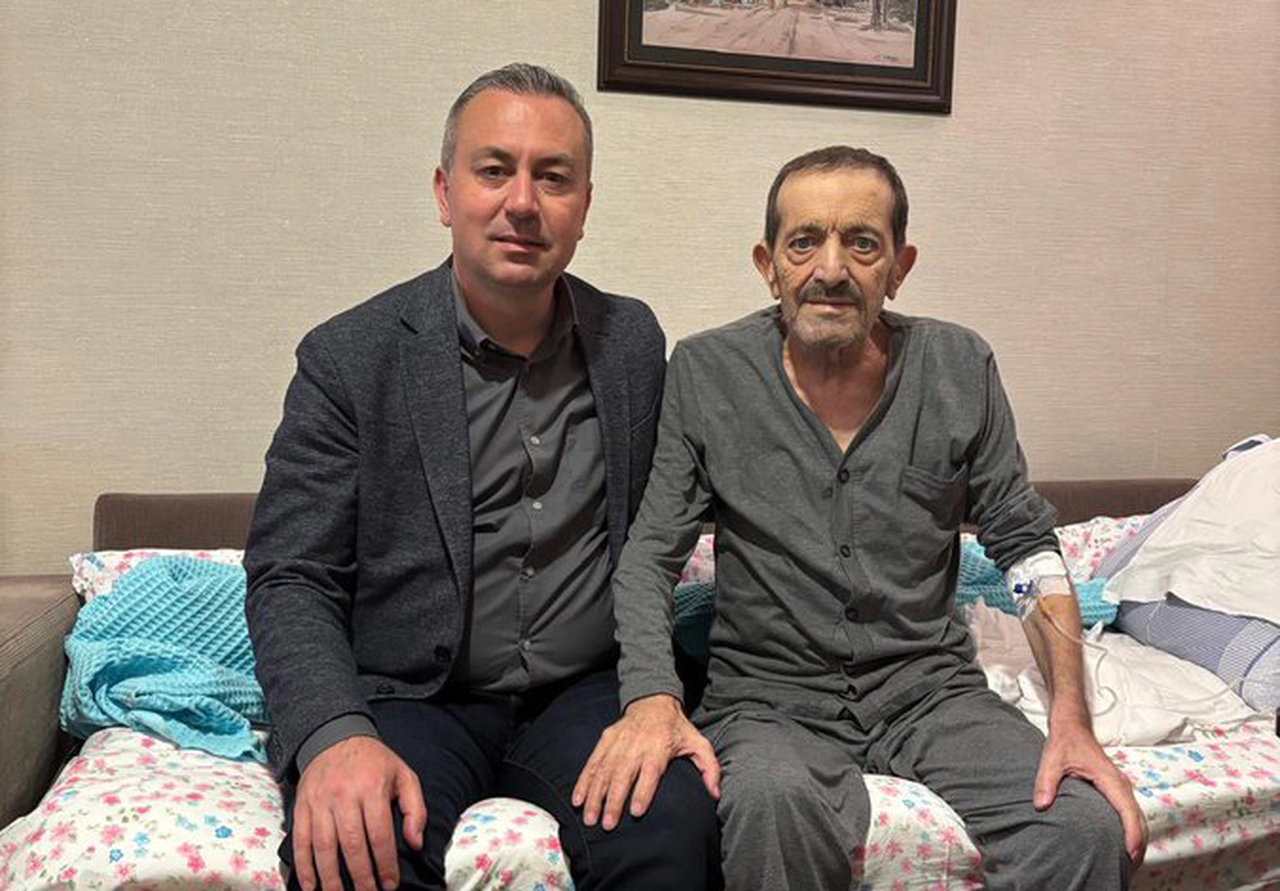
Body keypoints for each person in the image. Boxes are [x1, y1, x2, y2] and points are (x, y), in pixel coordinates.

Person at [574, 146, 1148, 890]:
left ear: (899, 267)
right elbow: (651, 555)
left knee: (1082, 827)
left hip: (930, 692)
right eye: (804, 242)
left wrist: (1072, 720)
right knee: (770, 805)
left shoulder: (958, 367)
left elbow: (1027, 547)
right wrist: (653, 698)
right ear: (768, 264)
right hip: (767, 701)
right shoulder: (707, 372)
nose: (832, 268)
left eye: (863, 243)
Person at [245, 63, 720, 891]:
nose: (523, 202)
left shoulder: (633, 343)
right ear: (445, 192)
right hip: (412, 696)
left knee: (672, 824)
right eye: (495, 169)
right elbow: (291, 574)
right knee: (358, 847)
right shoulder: (350, 357)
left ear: (584, 206)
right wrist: (332, 732)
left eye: (553, 177)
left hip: (584, 694)